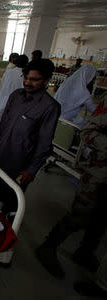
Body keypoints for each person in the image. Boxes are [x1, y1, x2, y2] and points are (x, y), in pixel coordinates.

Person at [35, 98, 106, 279]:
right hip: (99, 172)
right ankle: (48, 246)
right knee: (80, 213)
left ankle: (85, 252)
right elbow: (88, 131)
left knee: (100, 219)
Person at [0, 59, 61, 216]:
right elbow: (3, 126)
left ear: (47, 80)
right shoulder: (16, 96)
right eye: (26, 77)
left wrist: (31, 170)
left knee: (10, 205)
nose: (27, 82)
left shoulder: (49, 107)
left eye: (34, 79)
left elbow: (44, 143)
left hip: (18, 166)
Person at [0, 54, 29, 144]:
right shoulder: (24, 76)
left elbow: (3, 83)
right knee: (11, 121)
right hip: (16, 102)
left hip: (3, 97)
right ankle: (3, 140)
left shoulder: (9, 72)